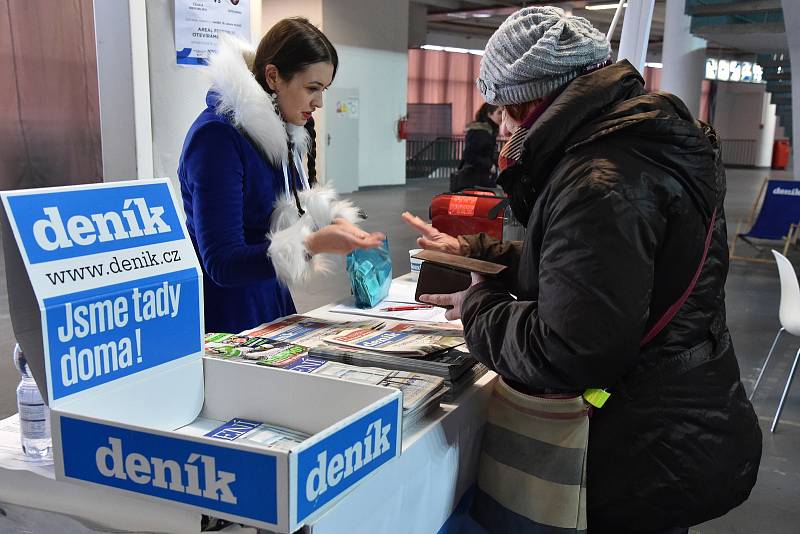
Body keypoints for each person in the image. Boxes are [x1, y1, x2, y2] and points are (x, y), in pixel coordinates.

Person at [403, 6, 761, 534]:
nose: (498, 125)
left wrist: (475, 306)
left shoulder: (599, 180)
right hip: (672, 426)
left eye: (503, 108)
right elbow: (605, 270)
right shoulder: (637, 144)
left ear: (532, 102)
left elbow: (570, 349)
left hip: (633, 451)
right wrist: (482, 254)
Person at [179, 18, 383, 334]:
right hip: (227, 317)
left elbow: (280, 212)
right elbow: (222, 262)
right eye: (312, 88)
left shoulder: (278, 134)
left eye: (323, 89)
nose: (319, 102)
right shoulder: (217, 139)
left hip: (270, 301)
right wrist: (311, 243)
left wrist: (328, 221)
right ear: (273, 76)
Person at [450, 103, 503, 191]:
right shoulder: (480, 131)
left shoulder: (488, 130)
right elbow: (469, 155)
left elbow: (485, 153)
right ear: (489, 114)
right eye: (499, 113)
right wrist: (489, 165)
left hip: (480, 179)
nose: (502, 116)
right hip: (475, 181)